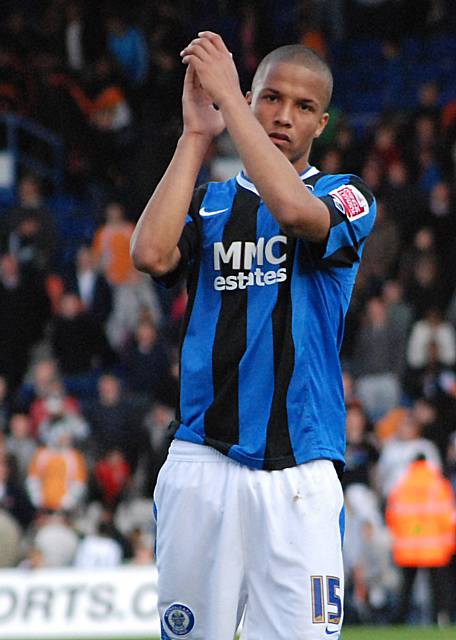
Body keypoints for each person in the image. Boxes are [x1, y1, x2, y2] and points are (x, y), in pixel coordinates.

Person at [131, 31, 376, 640]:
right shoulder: (210, 203)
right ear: (249, 96)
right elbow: (150, 253)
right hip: (201, 457)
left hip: (299, 470)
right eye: (269, 98)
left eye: (301, 107)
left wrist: (233, 109)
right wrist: (196, 134)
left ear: (321, 122)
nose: (282, 116)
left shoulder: (345, 195)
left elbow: (295, 215)